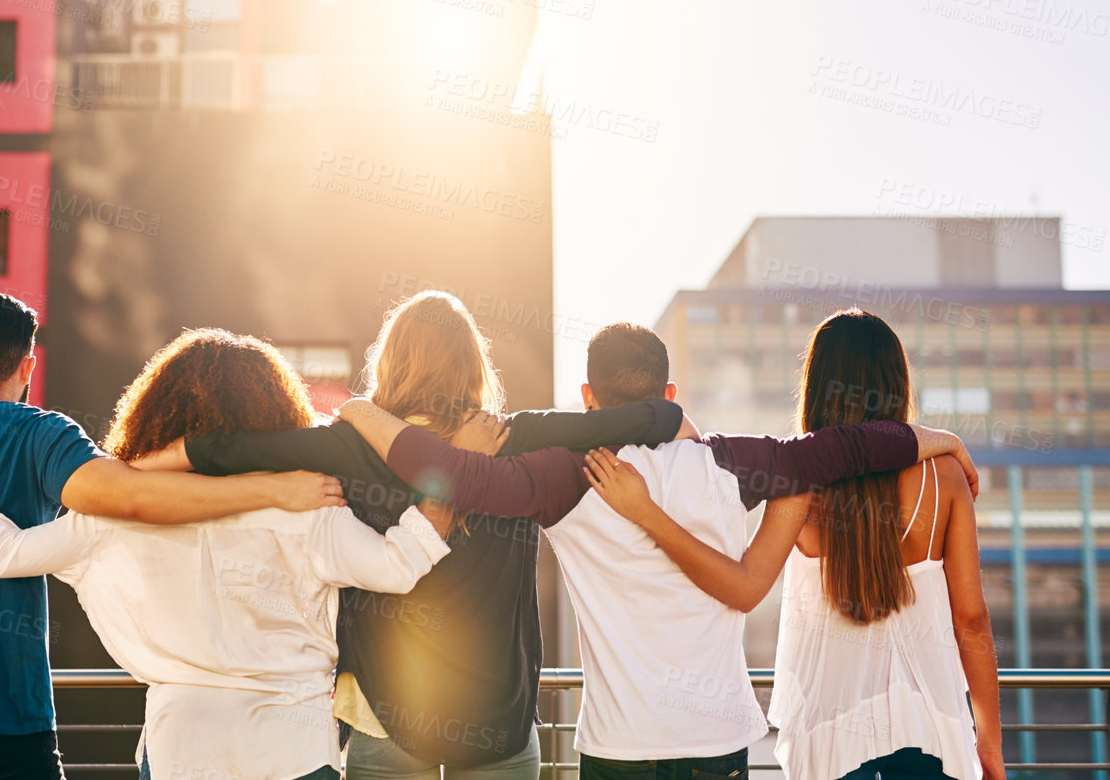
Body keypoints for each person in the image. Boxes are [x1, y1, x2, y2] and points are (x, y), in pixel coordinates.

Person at [335, 321, 980, 780]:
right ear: (670, 397)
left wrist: (363, 413)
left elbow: (457, 474)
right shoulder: (735, 463)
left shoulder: (564, 477)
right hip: (720, 742)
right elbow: (849, 448)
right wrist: (940, 437)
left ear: (589, 400)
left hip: (619, 748)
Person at [132, 291, 696, 780]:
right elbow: (649, 418)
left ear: (392, 362)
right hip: (500, 716)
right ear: (474, 365)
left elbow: (226, 450)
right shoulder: (518, 435)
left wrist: (127, 469)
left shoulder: (346, 443)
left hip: (387, 717)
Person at [0, 292, 342, 780]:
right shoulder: (42, 436)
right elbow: (132, 494)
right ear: (27, 366)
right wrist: (271, 483)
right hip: (8, 731)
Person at [0, 328, 454, 780]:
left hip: (180, 749)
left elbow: (3, 551)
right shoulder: (308, 501)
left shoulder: (108, 518)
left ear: (153, 409)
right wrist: (450, 484)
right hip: (295, 751)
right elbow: (398, 566)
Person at [762, 309, 1004, 780]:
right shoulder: (947, 476)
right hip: (930, 729)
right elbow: (971, 621)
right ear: (897, 383)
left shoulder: (796, 481)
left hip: (829, 736)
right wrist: (989, 741)